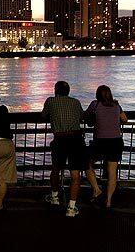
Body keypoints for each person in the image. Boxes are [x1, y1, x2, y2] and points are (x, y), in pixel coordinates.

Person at [41, 81, 86, 217]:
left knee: (55, 169)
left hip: (59, 139)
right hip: (76, 139)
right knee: (75, 174)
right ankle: (71, 208)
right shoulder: (76, 102)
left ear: (56, 90)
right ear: (68, 91)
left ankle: (54, 197)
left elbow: (43, 115)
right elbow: (82, 117)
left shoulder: (50, 101)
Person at [84, 85, 128, 209]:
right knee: (112, 172)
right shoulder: (116, 105)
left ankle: (97, 189)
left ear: (98, 95)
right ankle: (108, 201)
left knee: (86, 163)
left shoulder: (95, 104)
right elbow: (125, 120)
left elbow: (85, 117)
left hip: (100, 142)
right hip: (116, 142)